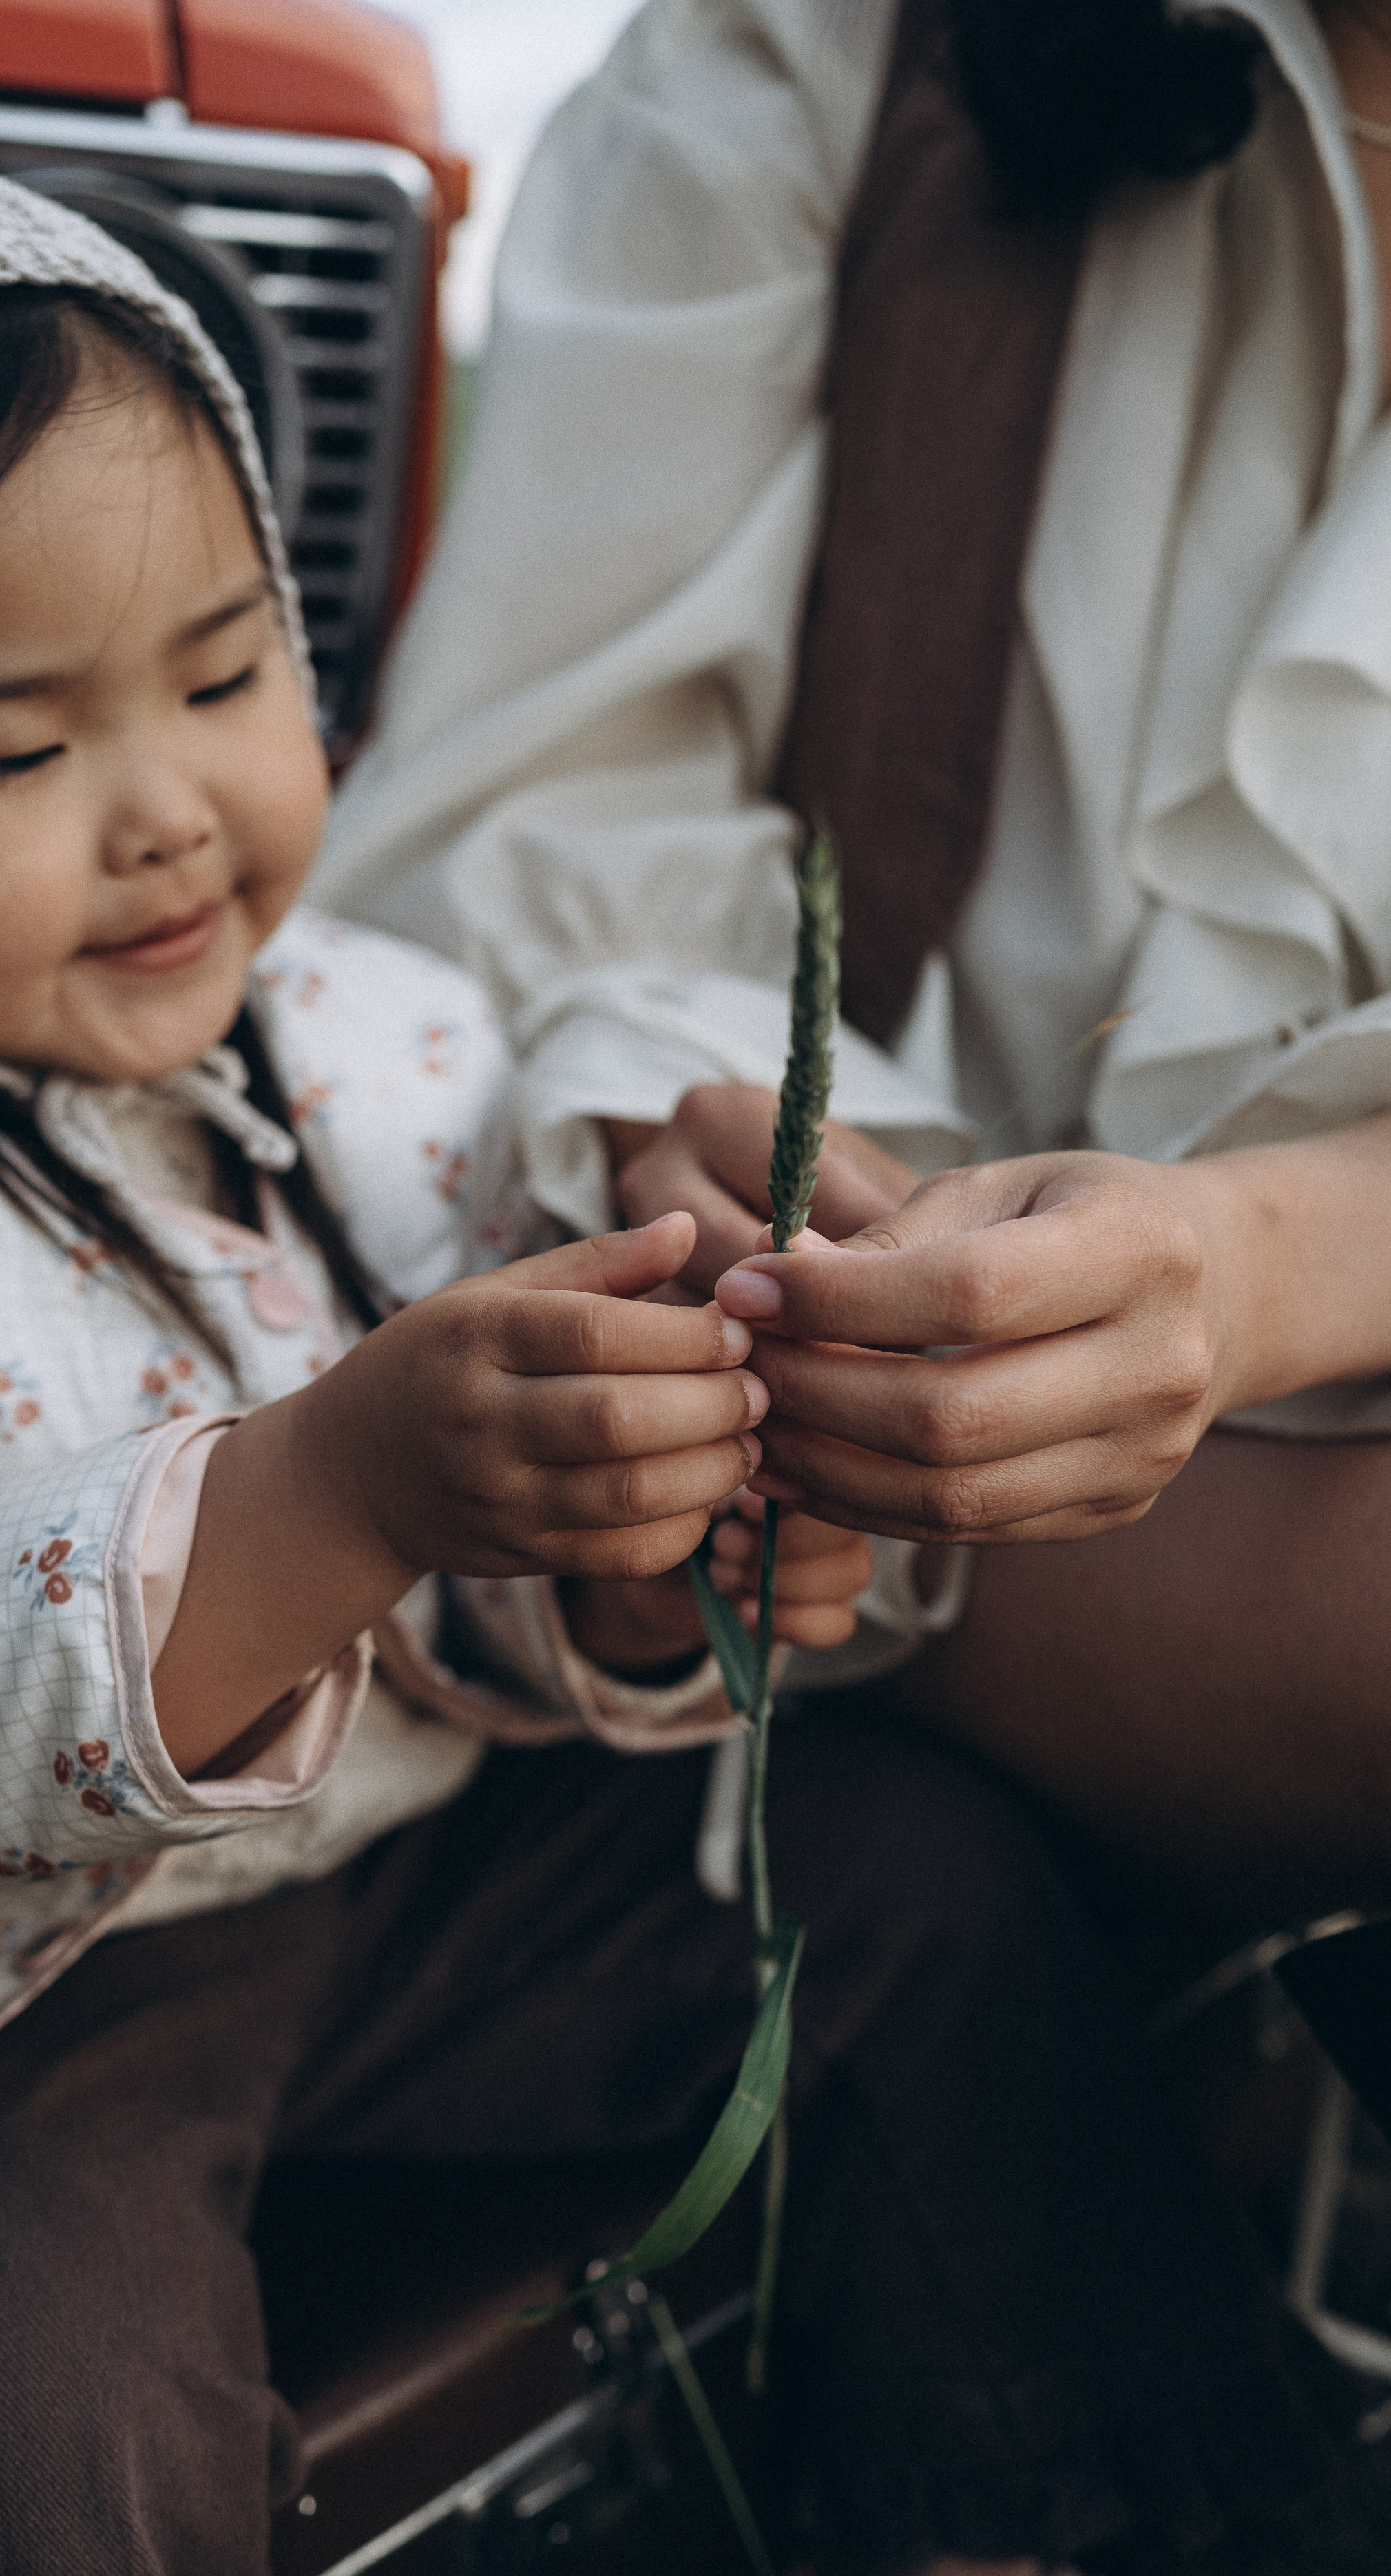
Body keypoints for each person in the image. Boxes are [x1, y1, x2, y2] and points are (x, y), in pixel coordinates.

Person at [0, 148, 1324, 2576]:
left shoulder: (367, 1027)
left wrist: (647, 1564)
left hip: (405, 1879)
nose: (170, 809)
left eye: (226, 674)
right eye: (8, 748)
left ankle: (982, 2558)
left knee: (913, 1889)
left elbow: (496, 1594)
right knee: (6, 2392)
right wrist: (340, 1481)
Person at [314, 0, 1391, 1923]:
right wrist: (730, 1161)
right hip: (893, 1465)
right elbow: (539, 799)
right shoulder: (829, 50)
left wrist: (1253, 1265)